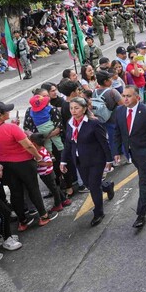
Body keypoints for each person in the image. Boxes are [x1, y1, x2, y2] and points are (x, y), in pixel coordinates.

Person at [0, 102, 55, 231]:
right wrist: (38, 156)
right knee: (33, 189)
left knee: (15, 192)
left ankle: (23, 221)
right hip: (23, 163)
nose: (9, 113)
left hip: (3, 165)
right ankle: (43, 215)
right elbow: (28, 146)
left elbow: (0, 139)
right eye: (6, 111)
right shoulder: (11, 128)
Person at [113, 85, 146, 229]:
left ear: (137, 97)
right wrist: (116, 151)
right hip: (131, 152)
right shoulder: (120, 111)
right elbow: (117, 132)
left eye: (129, 96)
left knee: (143, 181)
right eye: (124, 96)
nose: (125, 99)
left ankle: (141, 215)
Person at [60, 97, 115, 227]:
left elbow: (104, 142)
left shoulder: (94, 123)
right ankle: (107, 186)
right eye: (71, 108)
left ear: (84, 109)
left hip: (96, 160)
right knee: (88, 184)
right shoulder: (70, 123)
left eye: (76, 108)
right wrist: (63, 161)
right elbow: (68, 143)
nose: (73, 111)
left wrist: (109, 159)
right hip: (79, 160)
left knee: (94, 186)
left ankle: (98, 212)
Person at [29, 132, 69, 212]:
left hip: (46, 173)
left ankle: (58, 205)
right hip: (48, 172)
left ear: (33, 143)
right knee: (55, 187)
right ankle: (64, 200)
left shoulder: (41, 152)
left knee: (53, 189)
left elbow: (49, 162)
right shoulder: (41, 149)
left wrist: (37, 163)